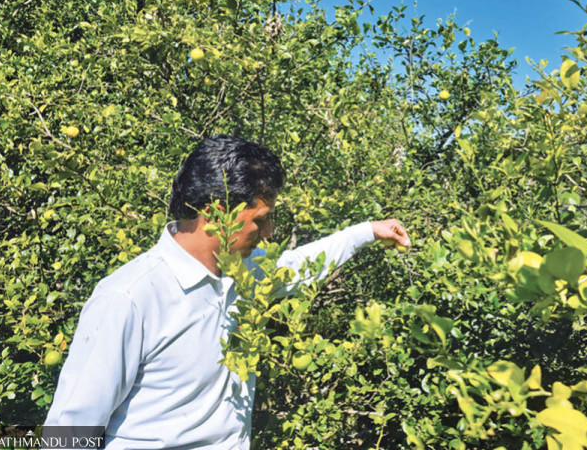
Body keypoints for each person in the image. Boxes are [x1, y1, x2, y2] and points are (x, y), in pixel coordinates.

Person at [43, 134, 410, 449]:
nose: (268, 234)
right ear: (217, 211)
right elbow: (70, 432)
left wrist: (367, 231)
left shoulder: (240, 274)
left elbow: (301, 265)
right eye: (260, 220)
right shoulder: (130, 297)